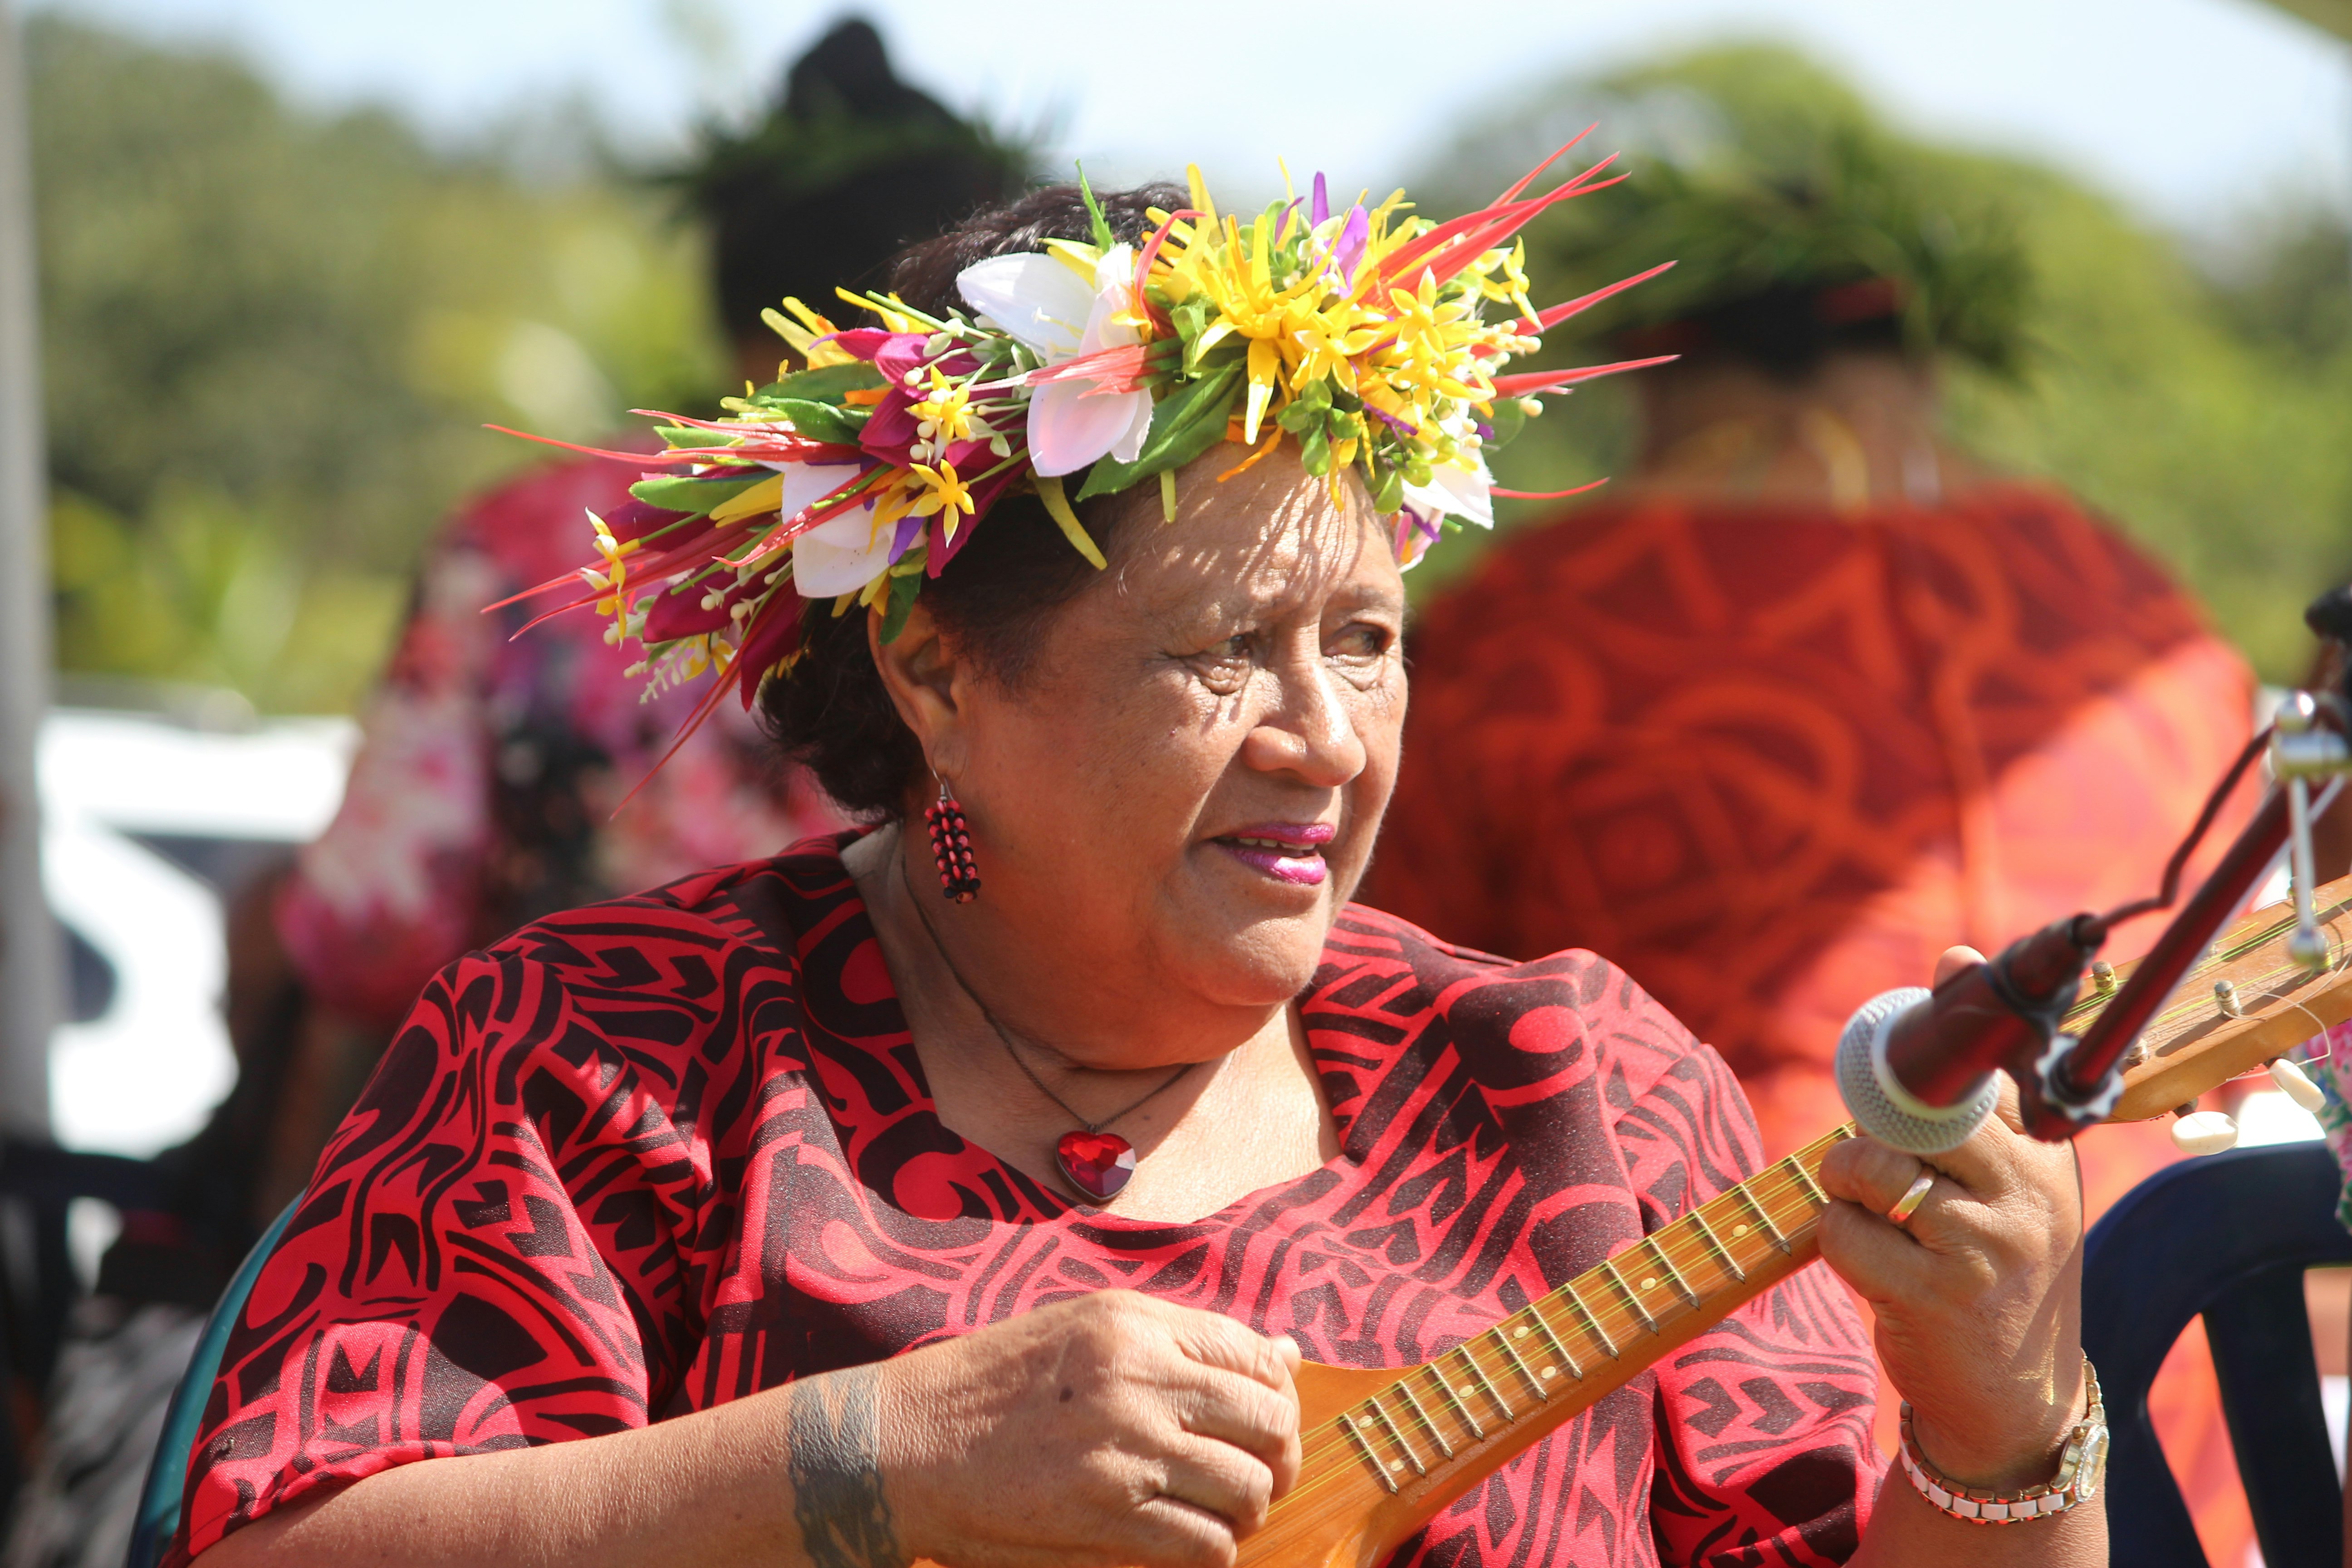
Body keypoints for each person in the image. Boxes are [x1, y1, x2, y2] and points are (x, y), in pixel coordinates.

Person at [168, 167, 2102, 1568]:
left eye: (1365, 638)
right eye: (1219, 653)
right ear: (936, 673)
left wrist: (2004, 1425)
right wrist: (863, 1460)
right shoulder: (615, 1051)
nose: (1327, 737)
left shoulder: (1575, 1087)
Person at [0, 23, 1022, 1568]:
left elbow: (360, 927)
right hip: (935, 1259)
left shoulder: (556, 544)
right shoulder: (1029, 552)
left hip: (558, 1260)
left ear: (746, 306)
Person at [1364, 111, 2248, 1563]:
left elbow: (1375, 1018)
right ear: (1919, 369)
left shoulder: (1533, 626)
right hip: (2190, 1334)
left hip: (1757, 1352)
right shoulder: (2125, 595)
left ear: (1675, 375)